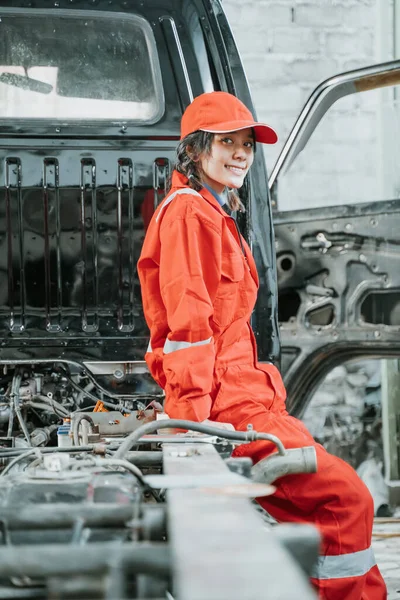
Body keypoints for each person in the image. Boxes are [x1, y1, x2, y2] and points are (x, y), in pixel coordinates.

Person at [137, 91, 387, 599]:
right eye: (226, 142)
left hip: (252, 402)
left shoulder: (216, 212)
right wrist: (194, 431)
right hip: (229, 411)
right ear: (196, 149)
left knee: (336, 505)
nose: (240, 154)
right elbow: (189, 325)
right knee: (348, 500)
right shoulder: (190, 215)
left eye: (247, 143)